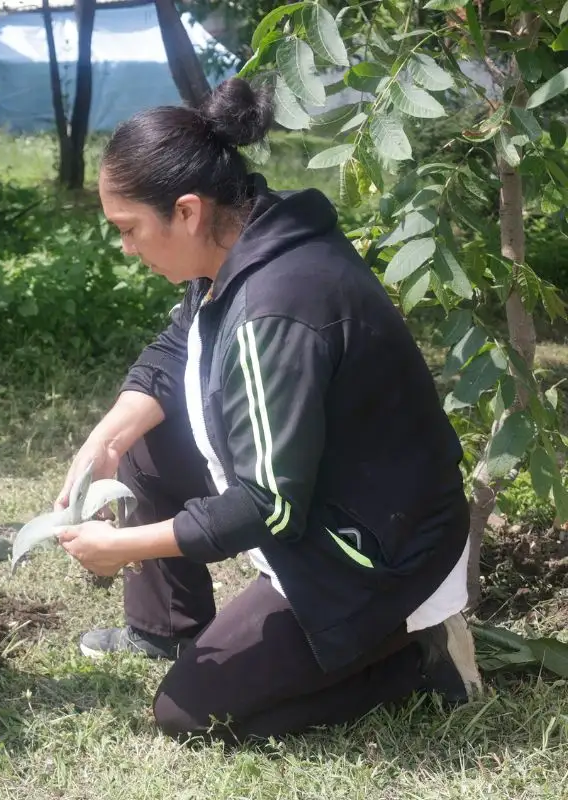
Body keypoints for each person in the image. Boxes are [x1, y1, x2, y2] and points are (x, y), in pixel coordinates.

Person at [51, 77, 483, 746]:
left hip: (375, 549)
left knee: (191, 716)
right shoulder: (244, 234)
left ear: (187, 211)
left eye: (129, 230)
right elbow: (179, 345)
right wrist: (106, 436)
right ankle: (167, 630)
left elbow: (268, 507)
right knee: (138, 441)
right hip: (327, 499)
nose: (127, 248)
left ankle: (412, 657)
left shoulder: (277, 307)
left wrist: (121, 547)